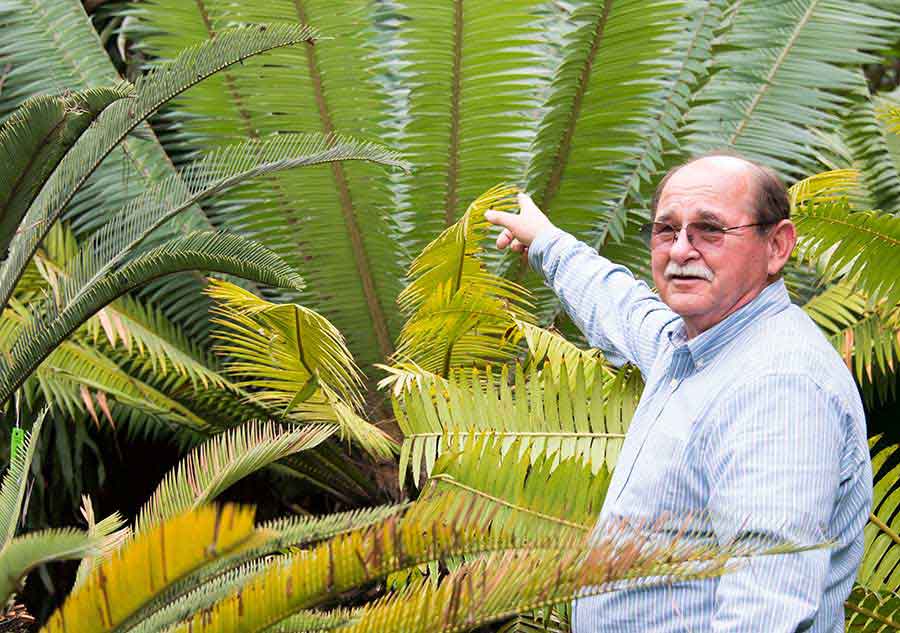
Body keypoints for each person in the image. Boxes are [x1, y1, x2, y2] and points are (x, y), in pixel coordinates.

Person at [484, 154, 872, 632]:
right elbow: (624, 311)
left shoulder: (778, 387)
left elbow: (767, 609)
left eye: (710, 230)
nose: (681, 250)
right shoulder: (694, 347)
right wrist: (549, 244)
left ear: (777, 245)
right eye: (667, 230)